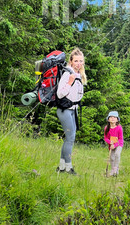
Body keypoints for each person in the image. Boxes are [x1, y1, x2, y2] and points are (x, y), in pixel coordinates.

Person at [56, 47, 86, 175]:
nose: (79, 64)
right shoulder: (68, 74)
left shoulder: (79, 74)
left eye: (81, 61)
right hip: (65, 110)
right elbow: (60, 93)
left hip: (73, 110)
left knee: (69, 138)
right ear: (71, 61)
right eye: (76, 61)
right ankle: (68, 168)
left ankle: (62, 167)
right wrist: (69, 82)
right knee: (70, 138)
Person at [104, 111, 124, 177]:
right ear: (108, 119)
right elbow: (105, 138)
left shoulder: (119, 127)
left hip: (118, 144)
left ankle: (116, 169)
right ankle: (112, 170)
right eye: (111, 117)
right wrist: (110, 142)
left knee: (117, 154)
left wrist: (115, 144)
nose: (113, 118)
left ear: (117, 119)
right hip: (111, 145)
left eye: (114, 117)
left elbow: (121, 139)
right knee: (112, 158)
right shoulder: (106, 128)